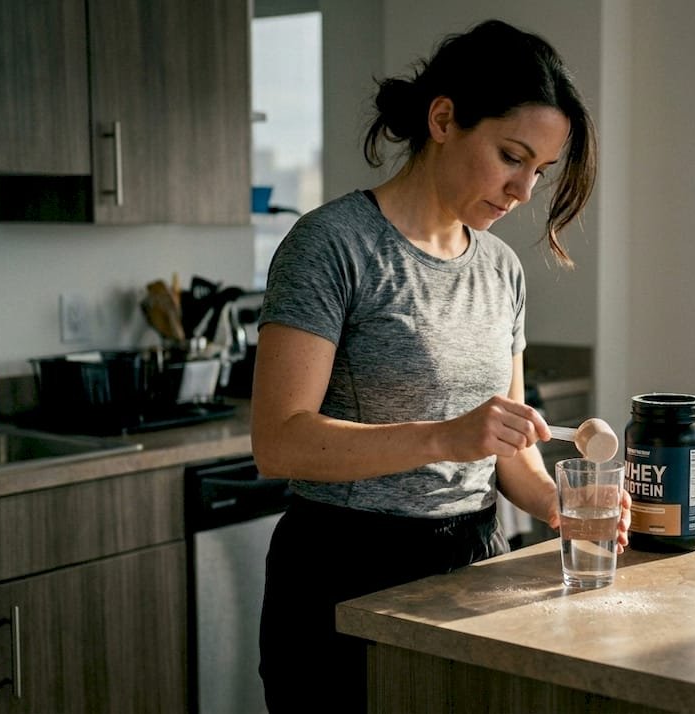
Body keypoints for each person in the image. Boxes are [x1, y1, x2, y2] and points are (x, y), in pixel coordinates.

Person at [252, 18, 628, 712]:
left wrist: (561, 507)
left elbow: (508, 452)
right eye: (512, 156)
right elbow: (279, 441)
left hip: (470, 568)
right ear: (445, 118)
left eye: (539, 171)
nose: (522, 190)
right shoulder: (330, 246)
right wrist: (445, 436)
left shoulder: (502, 270)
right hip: (341, 577)